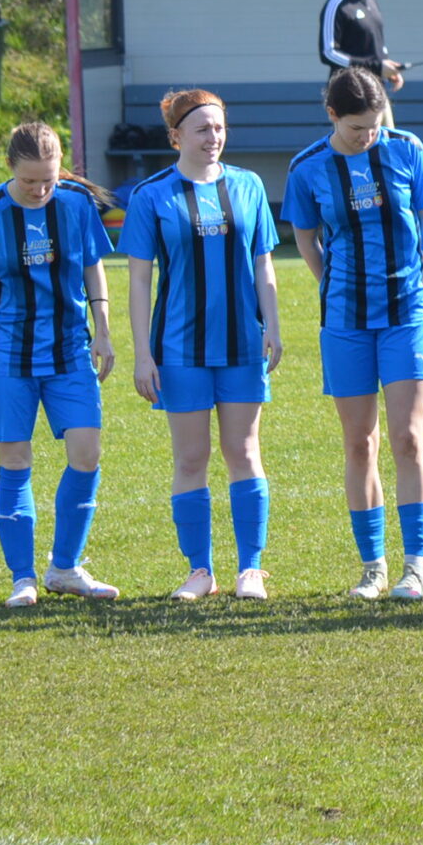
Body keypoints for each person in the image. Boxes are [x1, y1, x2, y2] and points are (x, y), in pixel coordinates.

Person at [0, 122, 121, 605]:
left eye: (49, 179)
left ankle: (64, 568)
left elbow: (93, 264)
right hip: (5, 358)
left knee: (87, 454)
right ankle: (22, 578)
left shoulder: (77, 204)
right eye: (29, 181)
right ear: (9, 168)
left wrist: (104, 329)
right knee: (15, 462)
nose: (41, 189)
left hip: (70, 352)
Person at [282, 67, 423, 601]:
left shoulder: (407, 150)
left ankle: (415, 567)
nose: (367, 136)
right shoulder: (307, 167)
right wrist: (331, 284)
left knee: (408, 437)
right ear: (331, 115)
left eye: (374, 125)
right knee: (359, 442)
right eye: (356, 128)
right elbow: (305, 237)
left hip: (406, 314)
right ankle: (373, 568)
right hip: (345, 322)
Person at [121, 89, 284, 600]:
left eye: (219, 128)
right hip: (180, 349)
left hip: (241, 344)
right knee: (190, 458)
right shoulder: (151, 196)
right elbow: (140, 281)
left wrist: (273, 325)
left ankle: (250, 569)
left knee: (244, 451)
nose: (213, 137)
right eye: (201, 129)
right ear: (176, 137)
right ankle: (200, 571)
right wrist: (143, 353)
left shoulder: (248, 185)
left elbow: (263, 264)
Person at [318, 0, 406, 94]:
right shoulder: (337, 4)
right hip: (349, 94)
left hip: (376, 92)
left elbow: (373, 50)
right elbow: (328, 54)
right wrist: (376, 67)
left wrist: (388, 69)